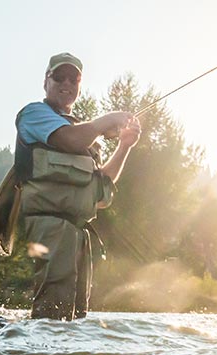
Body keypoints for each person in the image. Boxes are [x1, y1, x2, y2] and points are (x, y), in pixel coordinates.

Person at [13, 52, 140, 320]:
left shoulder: (87, 136)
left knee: (75, 319)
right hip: (48, 228)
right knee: (52, 316)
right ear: (46, 81)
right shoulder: (34, 114)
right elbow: (68, 139)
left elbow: (101, 191)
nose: (67, 83)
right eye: (59, 76)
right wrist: (106, 121)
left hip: (78, 234)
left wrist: (124, 146)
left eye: (74, 78)